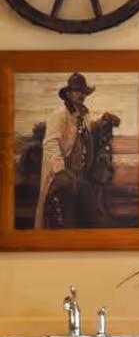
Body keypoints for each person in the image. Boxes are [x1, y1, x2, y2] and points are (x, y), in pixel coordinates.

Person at [32, 73, 92, 229]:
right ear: (68, 94)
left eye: (84, 92)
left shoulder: (82, 115)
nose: (82, 95)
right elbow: (51, 143)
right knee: (66, 213)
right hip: (61, 171)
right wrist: (60, 172)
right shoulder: (59, 115)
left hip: (77, 171)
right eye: (78, 91)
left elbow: (84, 137)